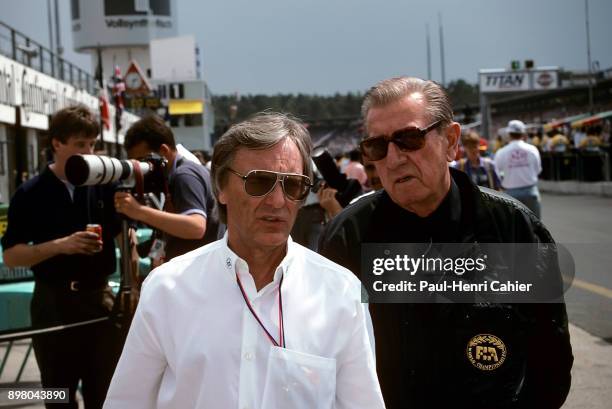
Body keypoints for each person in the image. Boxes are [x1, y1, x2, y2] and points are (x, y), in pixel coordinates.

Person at [318, 77, 573, 409]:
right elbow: (325, 363)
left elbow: (550, 362)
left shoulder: (513, 230)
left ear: (451, 141)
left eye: (409, 139)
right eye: (378, 147)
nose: (393, 159)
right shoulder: (346, 238)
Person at [104, 112, 385, 408]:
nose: (278, 201)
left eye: (292, 185)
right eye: (259, 181)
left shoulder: (341, 292)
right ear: (221, 188)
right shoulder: (167, 288)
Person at [2, 105, 122, 408]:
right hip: (52, 303)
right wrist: (60, 245)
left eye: (93, 144)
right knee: (57, 395)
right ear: (57, 143)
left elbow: (125, 238)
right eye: (80, 144)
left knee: (104, 394)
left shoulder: (103, 184)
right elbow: (12, 256)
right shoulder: (30, 193)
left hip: (99, 299)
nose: (89, 151)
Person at [113, 115, 219, 264]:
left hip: (196, 275)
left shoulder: (185, 175)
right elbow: (167, 232)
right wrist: (155, 259)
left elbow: (196, 227)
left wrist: (139, 211)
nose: (141, 169)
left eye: (143, 161)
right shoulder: (171, 177)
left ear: (163, 150)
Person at [494, 119, 543, 218]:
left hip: (511, 194)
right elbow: (538, 170)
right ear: (523, 133)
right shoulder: (532, 149)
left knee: (514, 228)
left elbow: (497, 173)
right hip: (530, 192)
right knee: (536, 227)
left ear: (509, 134)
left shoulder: (501, 152)